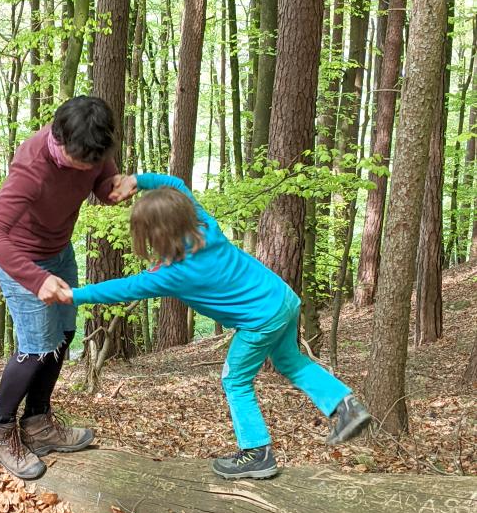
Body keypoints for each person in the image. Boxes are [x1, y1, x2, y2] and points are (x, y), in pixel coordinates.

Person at [56, 173, 372, 480]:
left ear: (154, 236)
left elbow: (122, 289)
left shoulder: (174, 273)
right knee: (291, 361)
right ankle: (345, 405)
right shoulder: (205, 224)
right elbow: (176, 184)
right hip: (283, 300)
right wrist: (137, 182)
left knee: (235, 380)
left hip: (260, 321)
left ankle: (257, 452)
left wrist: (73, 295)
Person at [0, 96, 132, 480]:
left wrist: (113, 189)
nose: (88, 166)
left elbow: (99, 184)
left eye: (94, 159)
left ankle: (38, 423)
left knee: (63, 335)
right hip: (21, 260)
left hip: (58, 251)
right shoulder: (32, 168)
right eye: (80, 160)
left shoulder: (92, 143)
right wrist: (35, 278)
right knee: (35, 347)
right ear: (60, 140)